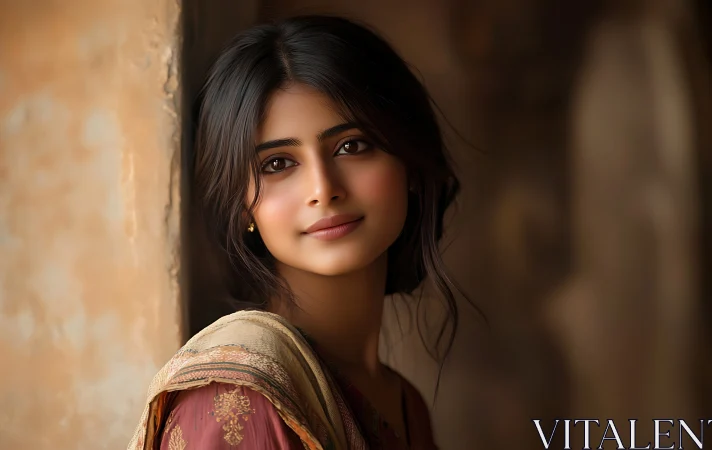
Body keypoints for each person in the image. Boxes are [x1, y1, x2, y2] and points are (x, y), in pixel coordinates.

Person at [129, 15, 465, 450]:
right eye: (277, 164)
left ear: (411, 166)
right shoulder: (236, 401)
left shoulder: (406, 405)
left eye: (352, 146)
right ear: (241, 204)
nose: (323, 191)